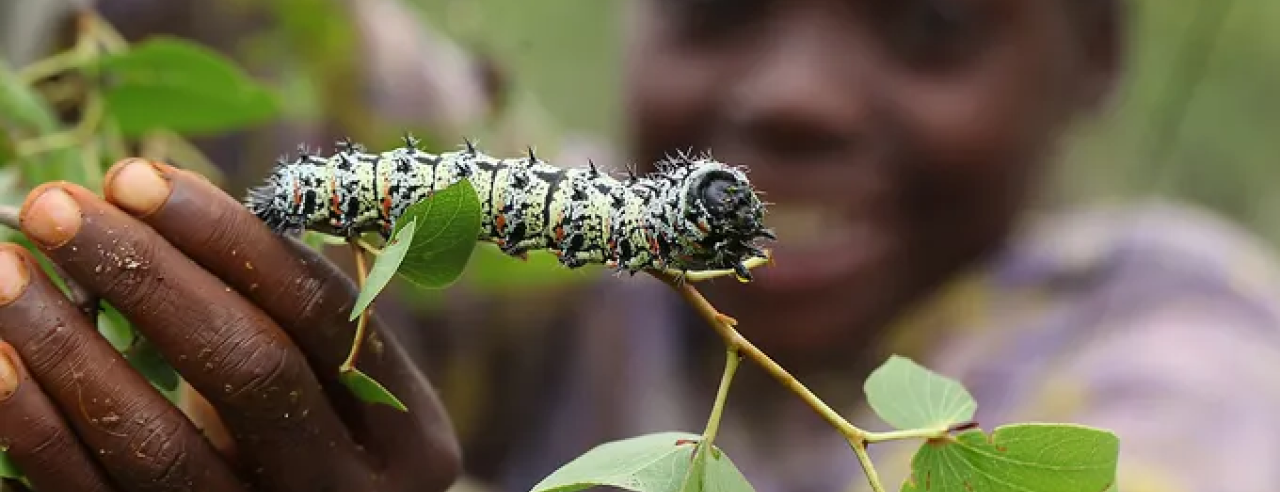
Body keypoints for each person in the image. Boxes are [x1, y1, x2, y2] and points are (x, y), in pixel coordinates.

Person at [3, 2, 1280, 492]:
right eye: (718, 9)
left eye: (928, 24)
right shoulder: (587, 269)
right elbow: (292, 44)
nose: (794, 98)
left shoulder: (1188, 357)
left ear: (1093, 53)